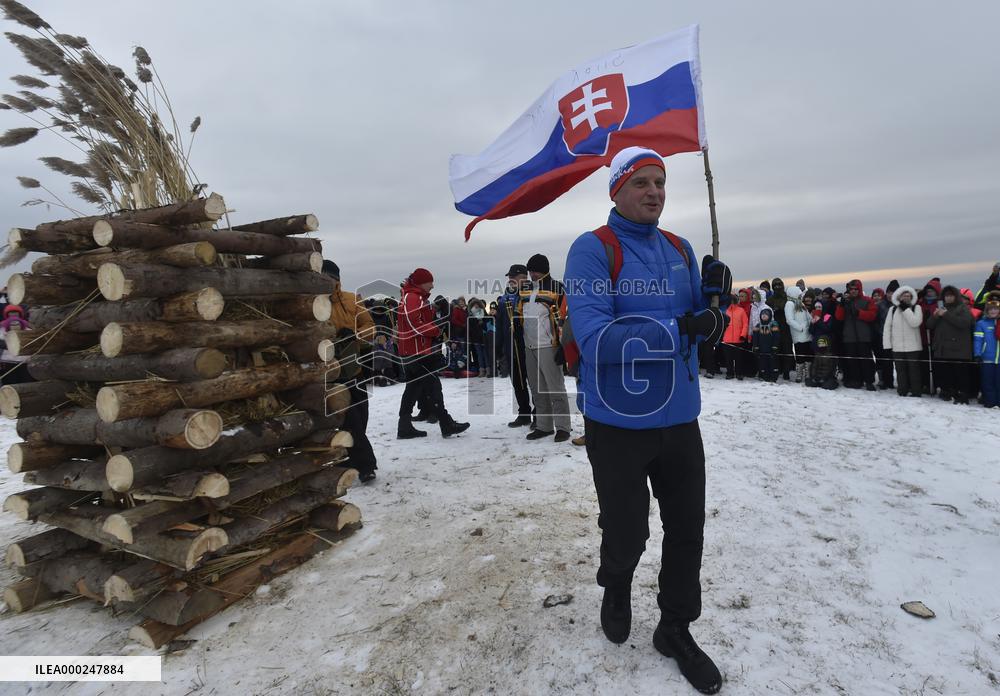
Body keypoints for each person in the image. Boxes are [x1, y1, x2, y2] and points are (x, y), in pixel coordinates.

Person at [564, 146, 730, 694]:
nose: (655, 192)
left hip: (680, 417)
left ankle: (676, 627)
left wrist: (715, 306)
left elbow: (703, 329)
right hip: (616, 422)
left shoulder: (682, 247)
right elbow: (594, 340)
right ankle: (616, 583)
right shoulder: (593, 250)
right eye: (642, 183)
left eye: (660, 182)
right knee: (628, 530)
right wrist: (683, 326)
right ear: (617, 190)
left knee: (688, 532)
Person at [395, 268, 470, 439]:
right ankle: (446, 423)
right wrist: (435, 331)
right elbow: (415, 324)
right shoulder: (412, 297)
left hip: (414, 350)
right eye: (430, 282)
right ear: (422, 282)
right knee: (433, 386)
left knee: (413, 388)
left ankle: (404, 426)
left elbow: (420, 320)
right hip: (417, 352)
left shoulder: (413, 297)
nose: (433, 285)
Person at [321, 261, 378, 483]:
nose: (327, 282)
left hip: (354, 367)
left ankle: (348, 457)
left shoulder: (351, 300)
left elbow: (370, 327)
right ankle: (366, 465)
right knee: (349, 419)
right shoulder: (314, 304)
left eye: (330, 278)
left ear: (337, 279)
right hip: (332, 374)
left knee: (361, 416)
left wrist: (353, 334)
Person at [519, 253, 571, 442]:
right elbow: (519, 315)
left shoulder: (557, 288)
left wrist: (562, 345)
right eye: (530, 271)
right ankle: (544, 426)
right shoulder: (525, 289)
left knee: (555, 388)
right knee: (537, 389)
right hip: (529, 345)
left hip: (549, 345)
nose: (532, 274)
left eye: (535, 271)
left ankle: (563, 427)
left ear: (543, 270)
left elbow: (563, 319)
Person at [496, 265, 534, 427]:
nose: (510, 280)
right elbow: (500, 324)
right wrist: (498, 347)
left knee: (534, 381)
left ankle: (539, 414)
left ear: (524, 277)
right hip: (511, 346)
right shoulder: (505, 298)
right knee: (517, 382)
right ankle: (524, 413)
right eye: (509, 277)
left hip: (529, 345)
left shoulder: (532, 293)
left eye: (514, 277)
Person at [926, 285, 974, 404]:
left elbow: (965, 323)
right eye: (946, 296)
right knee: (946, 372)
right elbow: (929, 325)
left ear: (956, 296)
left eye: (951, 295)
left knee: (960, 373)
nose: (948, 298)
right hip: (943, 348)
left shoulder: (962, 308)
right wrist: (935, 316)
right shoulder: (940, 308)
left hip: (959, 349)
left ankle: (963, 394)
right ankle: (947, 391)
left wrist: (945, 315)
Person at [835, 280, 877, 390]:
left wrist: (859, 313)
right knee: (852, 361)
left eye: (855, 289)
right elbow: (839, 317)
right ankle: (856, 380)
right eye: (851, 289)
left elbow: (872, 315)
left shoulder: (867, 301)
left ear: (860, 289)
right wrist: (841, 305)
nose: (853, 291)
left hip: (864, 336)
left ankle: (869, 381)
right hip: (849, 337)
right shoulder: (846, 301)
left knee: (866, 361)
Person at [882, 285, 923, 397]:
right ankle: (902, 390)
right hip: (897, 346)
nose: (906, 297)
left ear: (912, 296)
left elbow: (915, 322)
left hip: (913, 346)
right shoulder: (893, 309)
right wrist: (887, 345)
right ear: (899, 297)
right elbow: (887, 327)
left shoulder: (917, 308)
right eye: (903, 295)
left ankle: (916, 391)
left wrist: (905, 309)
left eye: (908, 295)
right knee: (900, 370)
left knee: (914, 371)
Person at [973, 292, 1000, 407]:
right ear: (987, 310)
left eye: (996, 309)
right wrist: (978, 354)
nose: (993, 311)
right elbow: (978, 340)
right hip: (987, 359)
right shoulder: (981, 323)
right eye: (991, 309)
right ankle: (990, 402)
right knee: (988, 382)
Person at [765, 278, 794, 380]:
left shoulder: (788, 298)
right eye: (775, 285)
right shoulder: (770, 300)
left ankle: (786, 371)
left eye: (779, 285)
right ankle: (778, 369)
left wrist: (780, 308)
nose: (777, 287)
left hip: (786, 327)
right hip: (775, 327)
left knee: (787, 350)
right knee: (776, 349)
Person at [784, 286, 812, 383]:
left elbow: (808, 316)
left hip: (807, 334)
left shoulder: (800, 303)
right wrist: (800, 328)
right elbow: (789, 320)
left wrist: (810, 322)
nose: (801, 296)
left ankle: (808, 373)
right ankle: (799, 374)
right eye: (799, 294)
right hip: (799, 334)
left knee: (808, 355)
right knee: (800, 355)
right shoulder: (789, 304)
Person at [721, 293, 748, 380]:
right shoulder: (724, 311)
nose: (731, 302)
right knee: (728, 359)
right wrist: (721, 336)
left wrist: (743, 335)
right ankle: (730, 373)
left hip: (738, 340)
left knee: (738, 359)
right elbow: (721, 325)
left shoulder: (741, 311)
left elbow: (745, 324)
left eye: (733, 301)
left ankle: (739, 373)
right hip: (726, 340)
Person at [754, 307, 780, 382]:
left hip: (771, 348)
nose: (764, 316)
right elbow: (755, 337)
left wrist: (775, 347)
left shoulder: (773, 324)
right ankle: (764, 375)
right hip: (762, 349)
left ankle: (773, 376)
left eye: (766, 314)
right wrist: (755, 346)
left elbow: (776, 336)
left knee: (772, 362)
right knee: (763, 362)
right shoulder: (758, 325)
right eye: (762, 314)